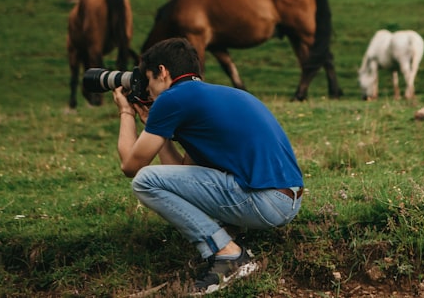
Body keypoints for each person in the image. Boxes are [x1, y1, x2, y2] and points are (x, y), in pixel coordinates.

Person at [113, 37, 304, 295]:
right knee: (157, 179)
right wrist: (157, 129)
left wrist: (126, 112)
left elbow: (130, 166)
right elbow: (181, 172)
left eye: (149, 81)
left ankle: (228, 254)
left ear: (162, 71)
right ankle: (227, 237)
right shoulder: (215, 95)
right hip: (287, 199)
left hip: (266, 202)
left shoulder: (173, 98)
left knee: (145, 180)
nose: (148, 91)